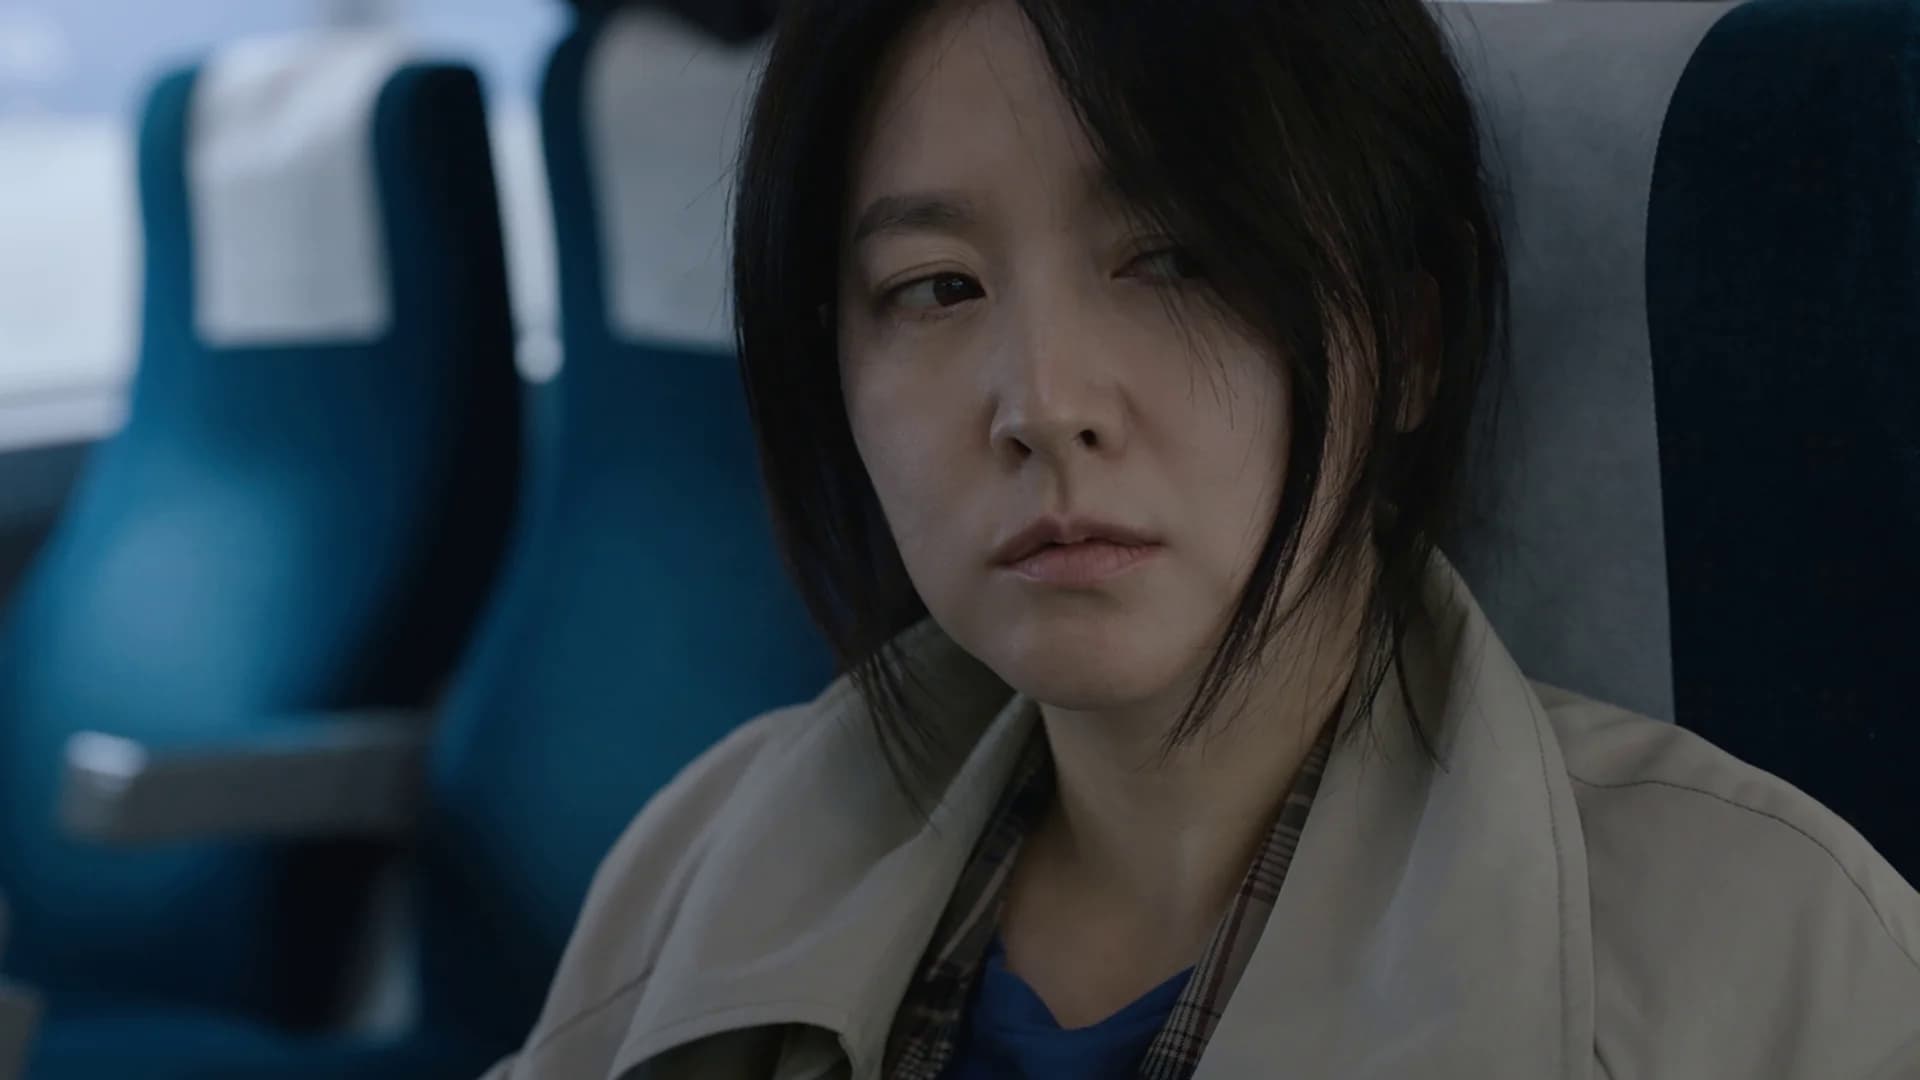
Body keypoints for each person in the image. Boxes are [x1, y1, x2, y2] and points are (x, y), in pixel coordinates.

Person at [483, 0, 1920, 1077]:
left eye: (1177, 260)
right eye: (935, 287)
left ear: (1408, 343)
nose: (1043, 404)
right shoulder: (708, 859)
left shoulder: (1769, 950)